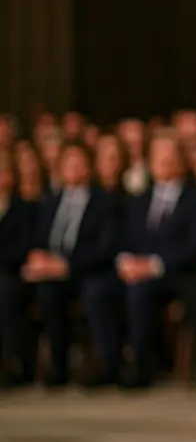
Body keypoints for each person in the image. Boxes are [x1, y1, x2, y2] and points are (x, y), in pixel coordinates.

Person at [24, 144, 122, 387]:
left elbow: (105, 248)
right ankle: (58, 366)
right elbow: (39, 237)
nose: (74, 168)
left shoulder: (105, 201)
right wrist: (38, 257)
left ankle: (106, 364)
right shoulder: (51, 201)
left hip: (90, 271)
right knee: (46, 293)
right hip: (52, 273)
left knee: (94, 293)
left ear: (90, 167)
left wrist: (66, 265)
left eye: (79, 163)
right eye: (68, 163)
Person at [116, 134, 196, 388]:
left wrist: (155, 264)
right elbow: (125, 239)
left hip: (180, 272)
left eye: (171, 156)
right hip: (141, 275)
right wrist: (126, 262)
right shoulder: (138, 200)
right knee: (130, 292)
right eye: (159, 156)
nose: (165, 162)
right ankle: (138, 365)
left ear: (182, 161)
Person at [0, 153, 37, 387]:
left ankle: (14, 362)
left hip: (14, 274)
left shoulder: (24, 209)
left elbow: (22, 248)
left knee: (4, 291)